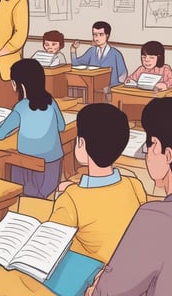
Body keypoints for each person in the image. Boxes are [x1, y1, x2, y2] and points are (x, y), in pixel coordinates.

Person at [86, 97, 172, 296]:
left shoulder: (155, 218)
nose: (147, 153)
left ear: (167, 154)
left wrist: (94, 290)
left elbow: (107, 292)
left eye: (149, 145)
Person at [50, 103, 146, 263]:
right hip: (130, 266)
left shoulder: (71, 200)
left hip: (92, 275)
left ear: (81, 143)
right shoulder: (135, 185)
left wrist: (61, 195)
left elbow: (51, 245)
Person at [0, 59, 65, 198]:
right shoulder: (51, 101)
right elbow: (61, 126)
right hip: (53, 165)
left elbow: (0, 135)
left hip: (26, 166)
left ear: (17, 84)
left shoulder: (20, 107)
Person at [70, 21, 127, 89]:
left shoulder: (115, 54)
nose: (97, 38)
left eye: (101, 34)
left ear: (107, 35)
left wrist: (113, 88)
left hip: (110, 89)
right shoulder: (92, 51)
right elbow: (75, 64)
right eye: (95, 35)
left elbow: (123, 74)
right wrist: (73, 49)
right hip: (92, 87)